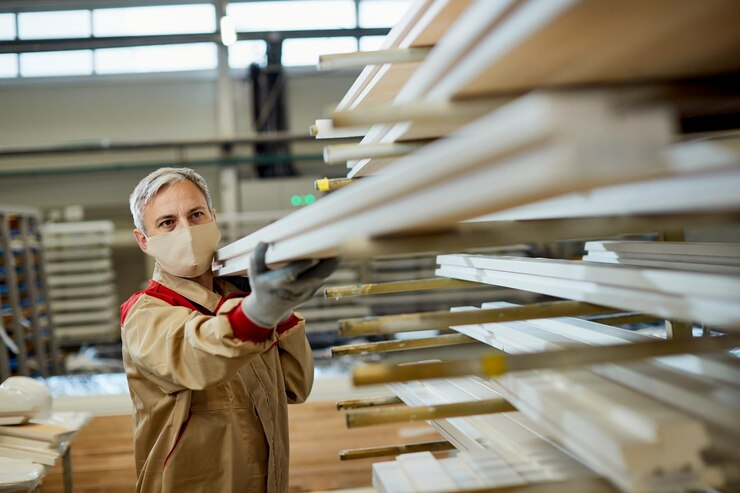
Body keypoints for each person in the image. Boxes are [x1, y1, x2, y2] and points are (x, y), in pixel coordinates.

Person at [120, 167, 337, 493]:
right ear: (143, 240)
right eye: (167, 223)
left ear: (213, 217)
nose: (187, 231)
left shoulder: (239, 297)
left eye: (196, 215)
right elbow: (194, 351)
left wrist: (280, 310)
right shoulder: (144, 313)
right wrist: (257, 313)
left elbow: (295, 387)